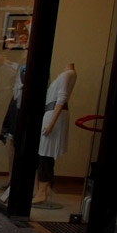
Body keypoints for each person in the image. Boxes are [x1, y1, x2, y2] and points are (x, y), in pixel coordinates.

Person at [33, 63, 76, 206]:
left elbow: (62, 98)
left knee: (45, 153)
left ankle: (42, 191)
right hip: (52, 113)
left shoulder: (67, 75)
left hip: (53, 115)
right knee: (45, 153)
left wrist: (51, 123)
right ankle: (44, 188)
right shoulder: (68, 74)